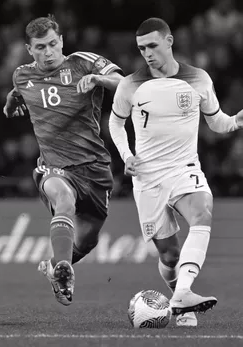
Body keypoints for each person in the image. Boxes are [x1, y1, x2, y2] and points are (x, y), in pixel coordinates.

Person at [108, 18, 239, 326]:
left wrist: (236, 121)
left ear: (169, 41)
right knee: (169, 257)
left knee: (202, 212)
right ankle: (182, 300)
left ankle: (181, 296)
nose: (147, 53)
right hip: (148, 178)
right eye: (141, 48)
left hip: (184, 169)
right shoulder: (130, 84)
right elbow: (115, 122)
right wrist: (126, 155)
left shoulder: (198, 78)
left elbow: (216, 121)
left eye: (153, 45)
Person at [3, 15, 123, 306]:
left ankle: (55, 266)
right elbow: (18, 93)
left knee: (89, 239)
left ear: (62, 42)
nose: (48, 53)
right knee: (63, 199)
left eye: (53, 44)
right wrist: (10, 103)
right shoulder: (22, 75)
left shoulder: (84, 62)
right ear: (29, 49)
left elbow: (125, 84)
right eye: (41, 47)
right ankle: (64, 269)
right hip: (54, 166)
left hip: (94, 167)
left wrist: (98, 79)